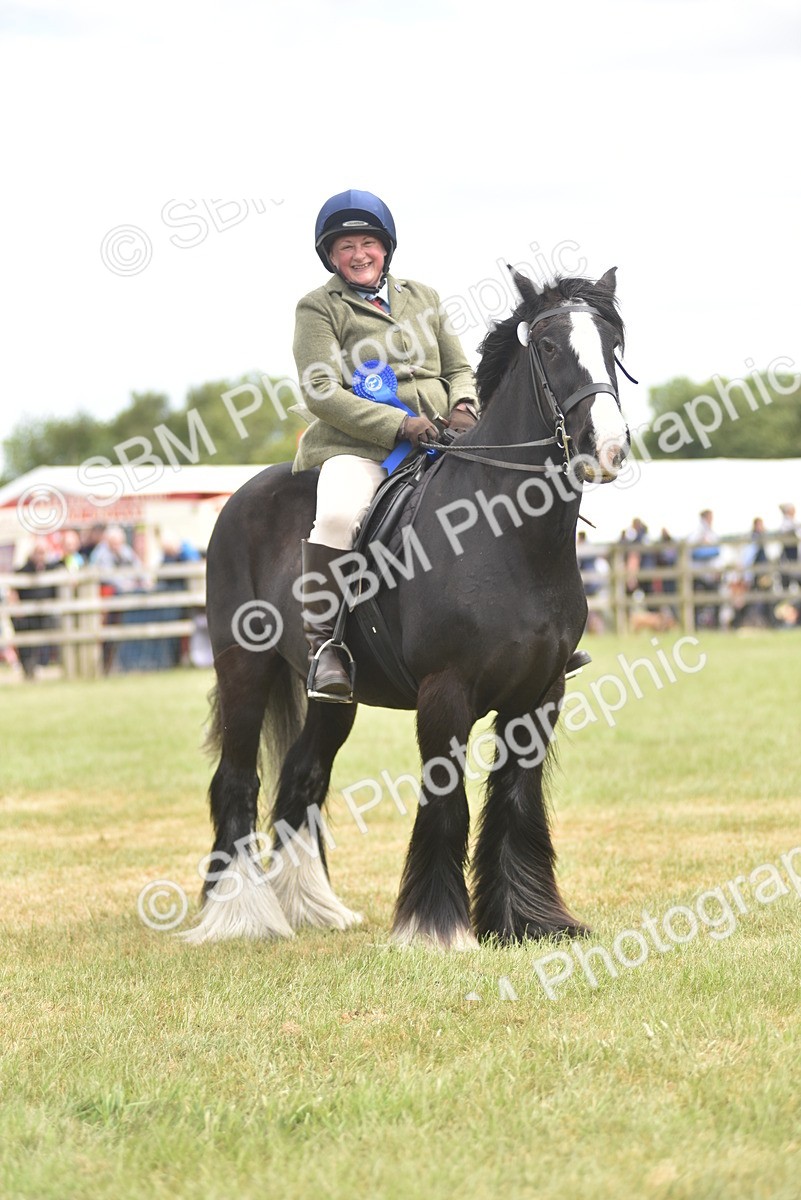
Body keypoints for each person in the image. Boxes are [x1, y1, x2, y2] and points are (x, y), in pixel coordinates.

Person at [291, 190, 480, 702]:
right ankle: (325, 647)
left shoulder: (425, 297)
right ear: (331, 256)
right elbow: (320, 390)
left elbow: (459, 368)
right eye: (346, 246)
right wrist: (398, 424)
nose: (359, 254)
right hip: (361, 447)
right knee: (336, 517)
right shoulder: (318, 307)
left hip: (444, 439)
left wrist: (465, 406)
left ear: (385, 248)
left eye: (367, 243)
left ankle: (531, 629)